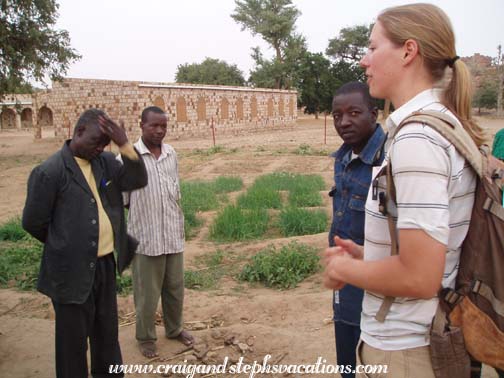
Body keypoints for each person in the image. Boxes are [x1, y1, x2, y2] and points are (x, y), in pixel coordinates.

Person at [323, 3, 485, 377]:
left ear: (408, 51)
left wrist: (346, 268)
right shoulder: (441, 125)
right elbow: (433, 253)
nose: (365, 61)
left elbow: (419, 277)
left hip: (405, 349)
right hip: (420, 336)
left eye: (373, 47)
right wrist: (370, 255)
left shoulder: (417, 139)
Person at [22, 109, 148, 378]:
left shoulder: (104, 161)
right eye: (96, 142)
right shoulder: (50, 172)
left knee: (107, 336)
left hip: (103, 266)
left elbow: (138, 179)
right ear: (78, 133)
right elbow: (33, 223)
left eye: (105, 143)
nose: (100, 148)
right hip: (70, 271)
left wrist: (124, 144)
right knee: (72, 345)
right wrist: (67, 243)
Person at [121, 106, 193, 358]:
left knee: (174, 288)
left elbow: (174, 190)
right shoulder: (129, 157)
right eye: (154, 125)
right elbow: (124, 200)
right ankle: (146, 337)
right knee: (146, 293)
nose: (160, 130)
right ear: (141, 125)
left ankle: (174, 329)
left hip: (172, 233)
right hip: (145, 238)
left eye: (164, 125)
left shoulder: (171, 153)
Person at [328, 82, 386, 378]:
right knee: (346, 350)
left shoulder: (388, 160)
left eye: (354, 113)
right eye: (337, 115)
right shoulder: (343, 157)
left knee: (374, 356)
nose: (344, 122)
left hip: (378, 278)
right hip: (345, 276)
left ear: (373, 114)